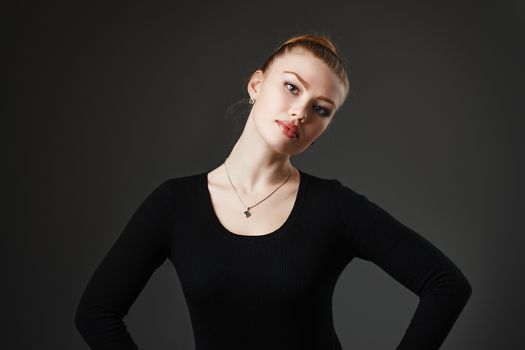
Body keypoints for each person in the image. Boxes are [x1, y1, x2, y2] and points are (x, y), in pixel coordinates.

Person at [75, 33, 472, 350]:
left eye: (321, 109)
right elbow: (96, 313)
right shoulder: (174, 204)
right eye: (292, 88)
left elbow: (445, 284)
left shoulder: (333, 207)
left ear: (322, 131)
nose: (301, 112)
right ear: (256, 84)